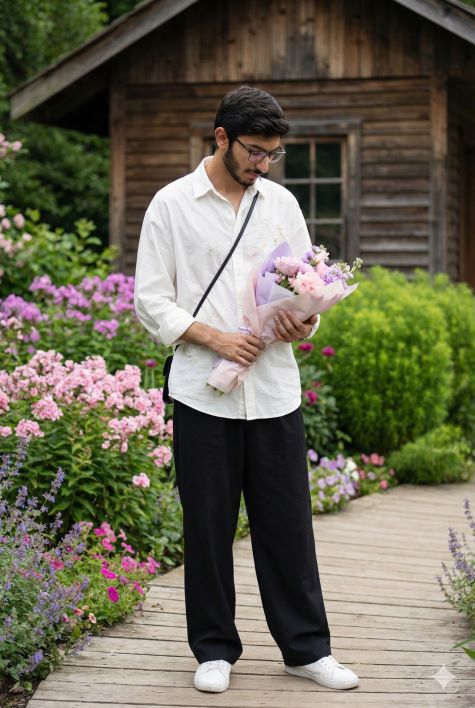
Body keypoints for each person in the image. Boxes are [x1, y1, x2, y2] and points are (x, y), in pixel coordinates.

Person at [134, 85, 359, 693]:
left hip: (274, 387)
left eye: (273, 154)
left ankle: (307, 649)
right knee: (206, 524)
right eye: (255, 151)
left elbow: (305, 282)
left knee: (287, 522)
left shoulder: (281, 202)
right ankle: (213, 650)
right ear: (221, 138)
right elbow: (149, 299)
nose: (264, 164)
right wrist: (214, 337)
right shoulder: (171, 205)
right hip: (202, 389)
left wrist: (306, 318)